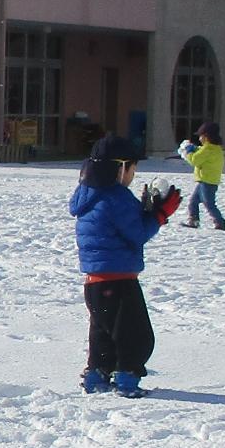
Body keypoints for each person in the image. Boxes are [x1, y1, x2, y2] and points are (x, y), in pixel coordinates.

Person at [70, 135, 179, 397]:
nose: (132, 175)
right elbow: (137, 233)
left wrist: (144, 210)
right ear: (120, 168)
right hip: (120, 280)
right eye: (132, 169)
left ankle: (97, 374)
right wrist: (160, 214)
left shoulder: (88, 195)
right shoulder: (117, 197)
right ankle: (127, 378)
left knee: (103, 333)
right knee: (135, 334)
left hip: (95, 281)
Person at [176, 122, 225, 230]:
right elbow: (201, 153)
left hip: (207, 181)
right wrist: (195, 149)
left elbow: (195, 160)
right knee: (193, 201)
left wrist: (189, 152)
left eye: (201, 136)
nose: (199, 138)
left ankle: (220, 222)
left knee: (208, 203)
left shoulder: (207, 149)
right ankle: (193, 221)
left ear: (207, 136)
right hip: (207, 181)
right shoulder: (215, 148)